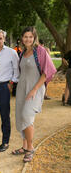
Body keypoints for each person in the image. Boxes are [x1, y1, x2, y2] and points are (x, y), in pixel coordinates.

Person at [12, 26, 56, 162]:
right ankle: (24, 146)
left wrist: (34, 89)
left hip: (35, 89)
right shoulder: (22, 53)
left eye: (30, 37)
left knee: (27, 116)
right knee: (20, 116)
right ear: (22, 38)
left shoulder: (40, 51)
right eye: (25, 37)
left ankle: (30, 148)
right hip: (21, 88)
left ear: (34, 37)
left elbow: (48, 71)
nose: (28, 39)